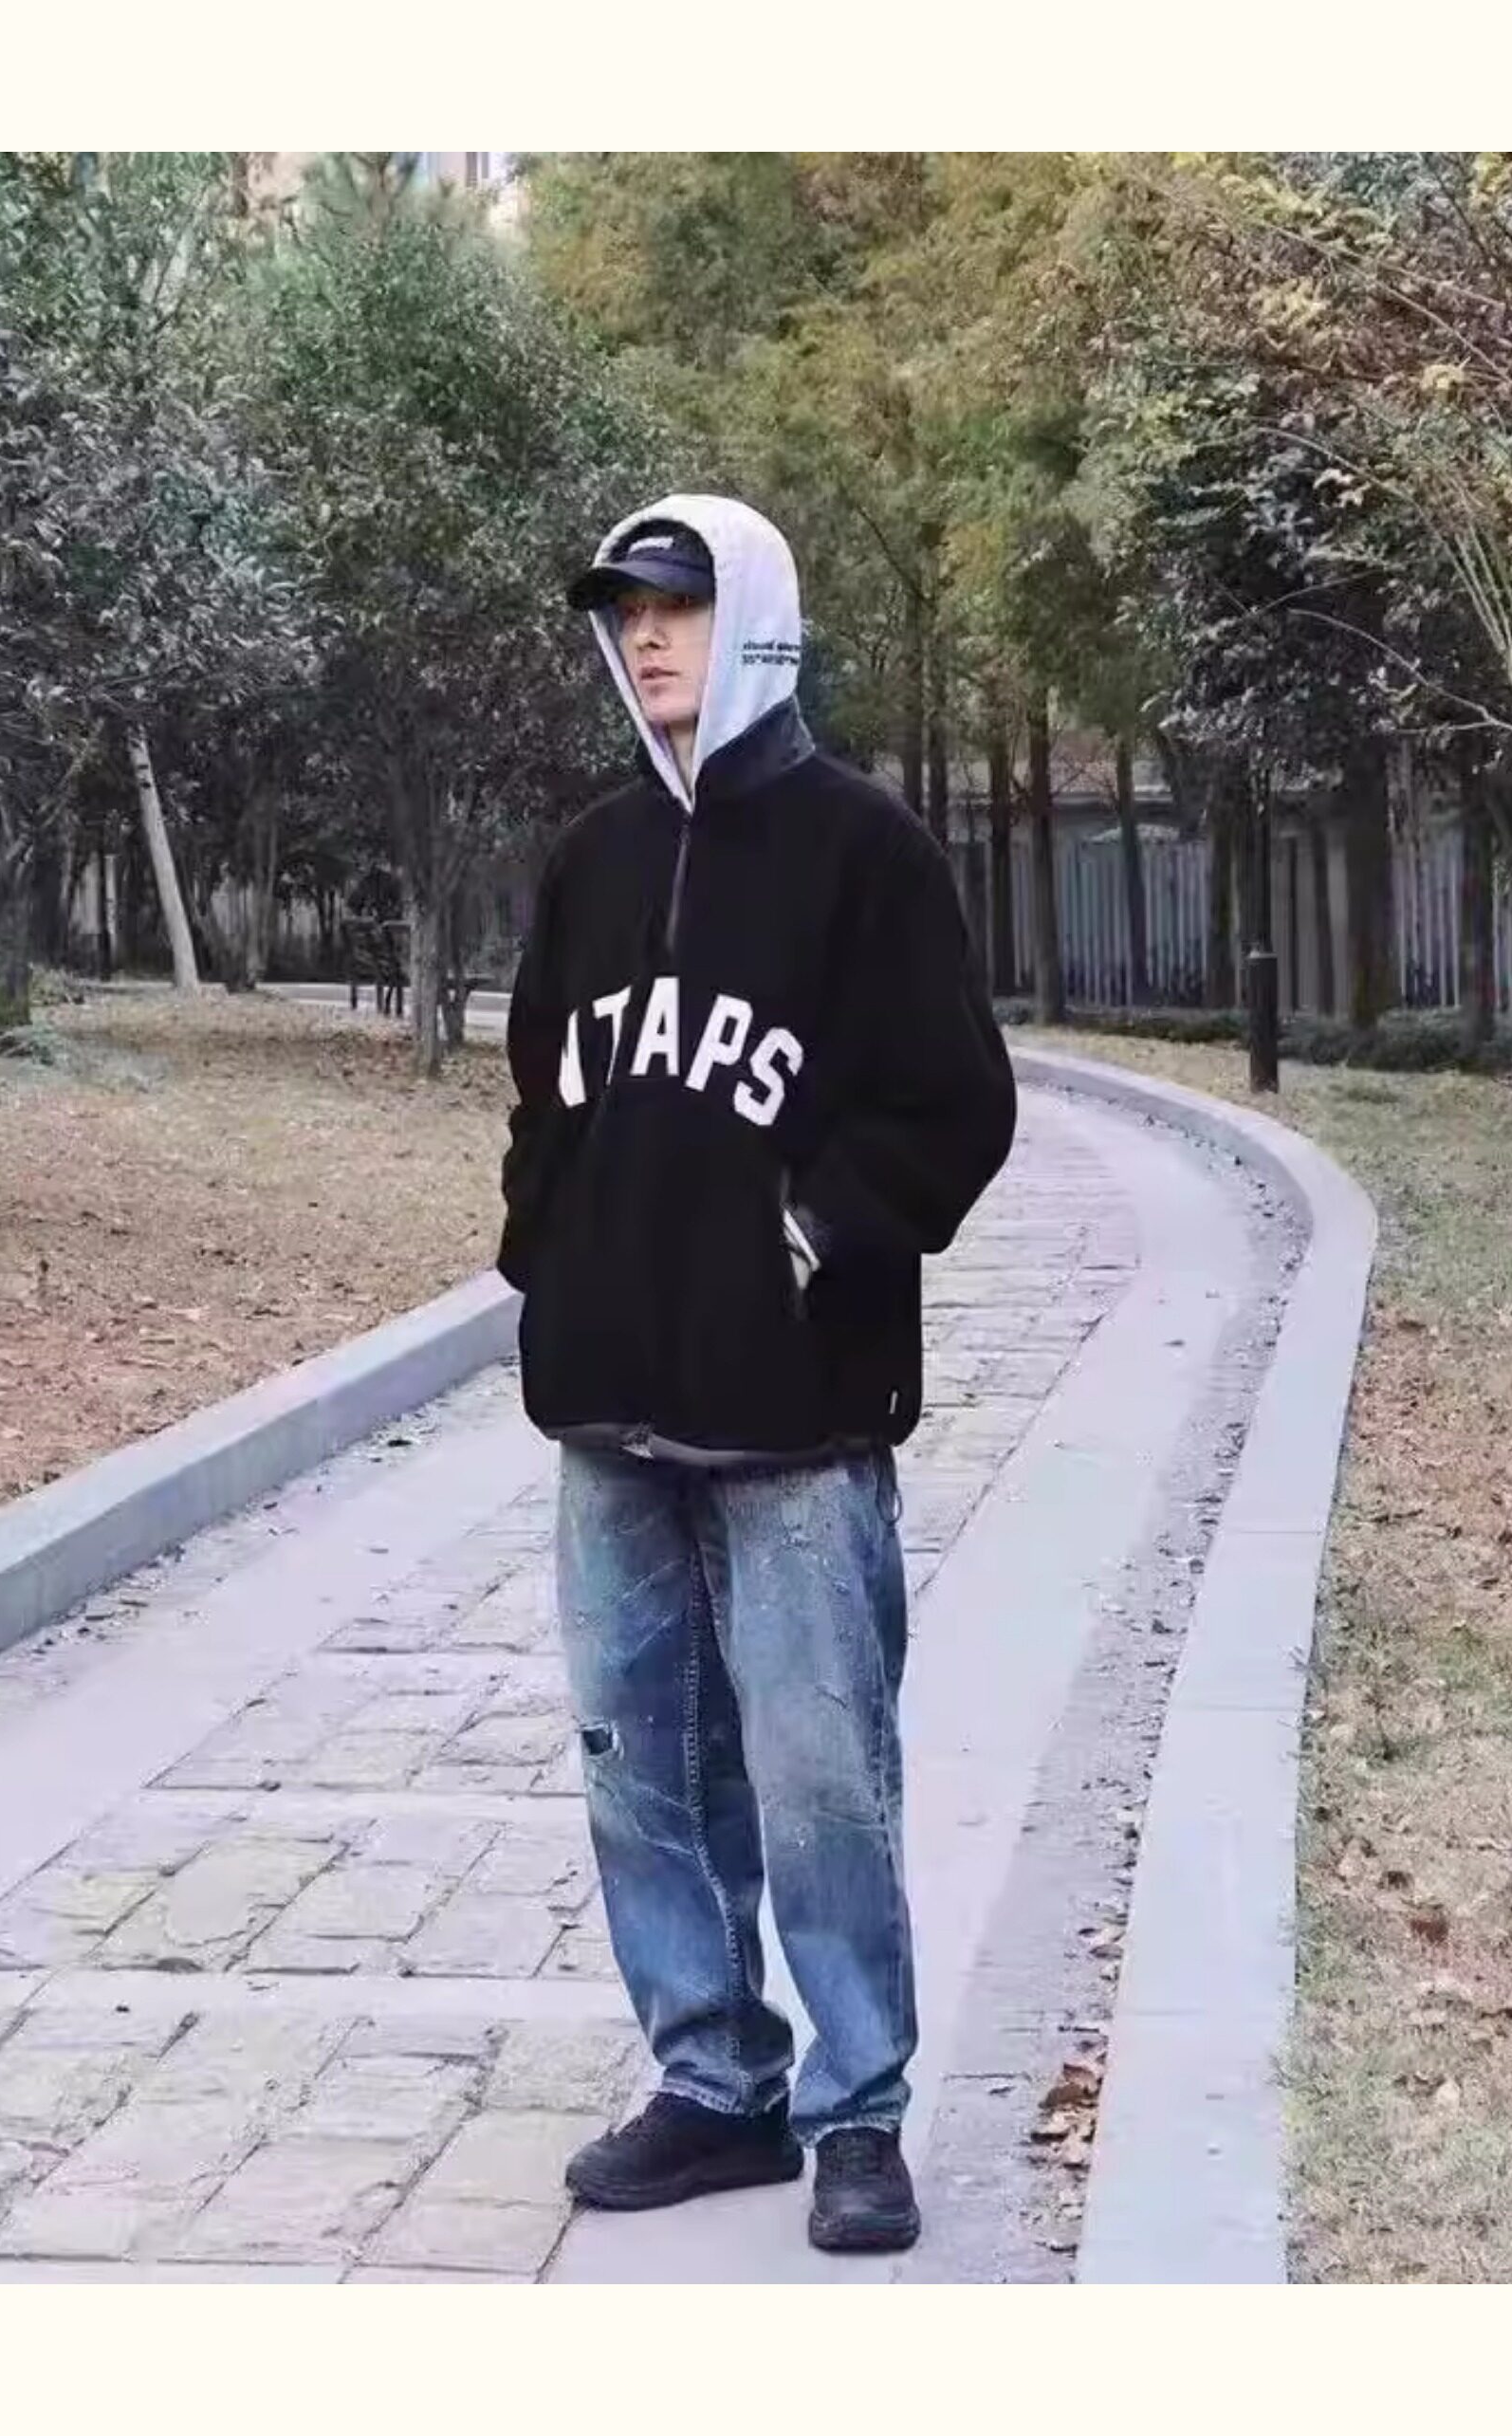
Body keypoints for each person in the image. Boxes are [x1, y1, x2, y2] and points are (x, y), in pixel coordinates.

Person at [494, 493, 1017, 2254]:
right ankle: (715, 2083)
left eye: (681, 605)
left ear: (759, 621)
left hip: (797, 1416)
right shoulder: (590, 860)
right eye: (625, 609)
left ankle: (856, 2109)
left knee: (817, 1773)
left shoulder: (867, 851)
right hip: (609, 1411)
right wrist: (554, 1263)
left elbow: (956, 1106)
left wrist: (813, 1238)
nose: (646, 635)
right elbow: (541, 1097)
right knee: (638, 1762)